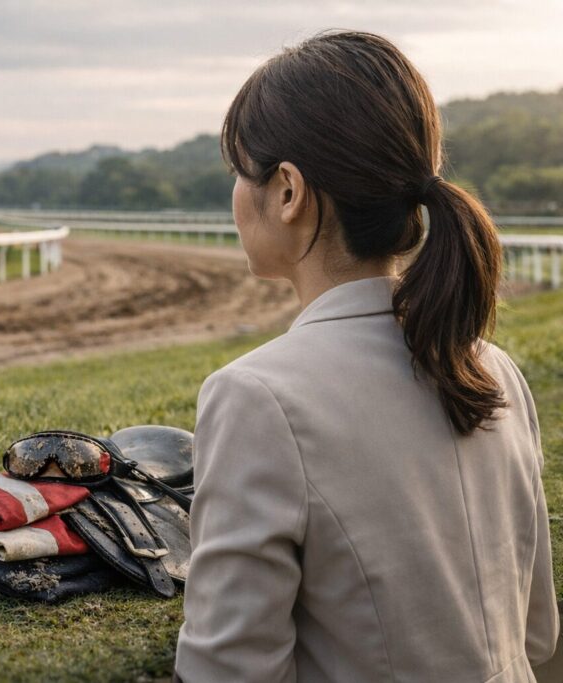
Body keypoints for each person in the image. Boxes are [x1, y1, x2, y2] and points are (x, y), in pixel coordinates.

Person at [173, 31, 558, 682]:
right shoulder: (495, 370)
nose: (235, 192)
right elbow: (539, 636)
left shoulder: (257, 397)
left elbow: (226, 668)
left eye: (240, 170)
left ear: (288, 191)